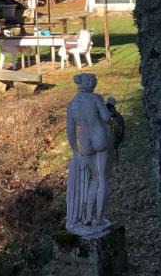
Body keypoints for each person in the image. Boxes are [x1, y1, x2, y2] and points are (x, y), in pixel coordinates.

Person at [65, 73, 115, 236]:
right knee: (102, 179)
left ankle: (87, 217)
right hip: (99, 136)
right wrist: (111, 105)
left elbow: (70, 132)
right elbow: (106, 117)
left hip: (85, 142)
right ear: (90, 84)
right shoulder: (95, 98)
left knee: (94, 179)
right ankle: (98, 218)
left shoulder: (72, 105)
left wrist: (75, 150)